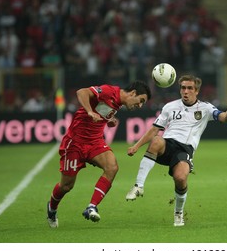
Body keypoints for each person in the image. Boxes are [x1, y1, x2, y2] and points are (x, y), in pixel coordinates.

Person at [125, 74, 227, 226]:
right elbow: (154, 129)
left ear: (196, 91)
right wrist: (136, 146)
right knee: (156, 140)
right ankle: (138, 186)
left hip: (185, 150)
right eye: (183, 88)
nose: (186, 91)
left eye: (189, 88)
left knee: (180, 179)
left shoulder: (205, 108)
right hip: (168, 144)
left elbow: (225, 118)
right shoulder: (170, 107)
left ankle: (178, 213)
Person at [46, 80, 151, 228]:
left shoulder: (118, 103)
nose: (140, 105)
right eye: (140, 101)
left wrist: (109, 120)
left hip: (95, 142)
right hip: (75, 142)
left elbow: (101, 110)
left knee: (112, 167)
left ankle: (91, 207)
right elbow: (82, 92)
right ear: (133, 93)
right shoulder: (109, 91)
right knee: (66, 186)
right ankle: (52, 208)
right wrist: (89, 111)